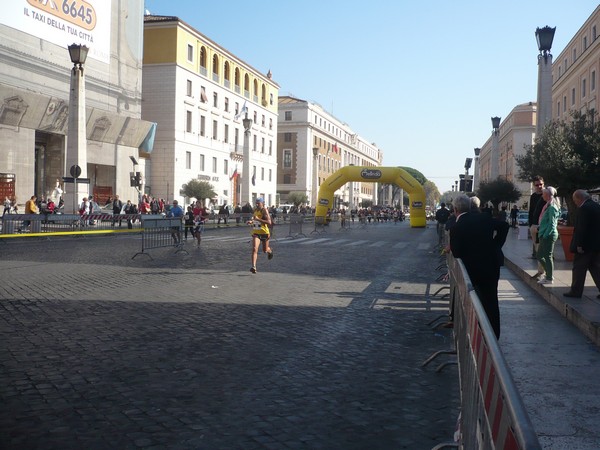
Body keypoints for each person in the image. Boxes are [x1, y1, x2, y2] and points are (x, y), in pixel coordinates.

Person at [450, 195, 509, 339]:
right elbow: (504, 226)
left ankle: (476, 335)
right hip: (490, 267)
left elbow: (457, 252)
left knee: (472, 303)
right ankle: (494, 336)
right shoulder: (484, 218)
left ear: (455, 209)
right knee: (491, 301)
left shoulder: (457, 226)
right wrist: (495, 245)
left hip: (471, 270)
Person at [563, 190, 600, 299]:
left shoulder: (584, 209)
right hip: (596, 245)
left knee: (579, 268)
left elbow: (581, 228)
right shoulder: (596, 206)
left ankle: (576, 291)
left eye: (575, 201)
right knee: (596, 268)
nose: (575, 203)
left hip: (585, 246)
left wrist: (579, 244)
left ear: (579, 198)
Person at [535, 186, 561, 284]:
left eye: (544, 194)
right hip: (544, 234)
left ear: (548, 195)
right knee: (540, 255)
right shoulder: (548, 205)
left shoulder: (552, 207)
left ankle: (549, 277)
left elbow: (552, 224)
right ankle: (549, 274)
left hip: (548, 235)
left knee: (547, 256)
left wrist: (545, 235)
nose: (542, 196)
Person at [247, 197, 273, 274]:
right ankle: (254, 267)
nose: (257, 204)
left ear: (262, 203)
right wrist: (251, 221)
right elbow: (255, 219)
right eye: (256, 203)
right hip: (256, 232)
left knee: (265, 250)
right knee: (255, 248)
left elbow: (269, 222)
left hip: (264, 233)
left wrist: (258, 219)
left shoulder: (264, 210)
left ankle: (270, 251)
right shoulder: (255, 210)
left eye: (258, 203)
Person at [528, 176, 545, 258]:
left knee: (545, 240)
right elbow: (531, 210)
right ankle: (535, 254)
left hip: (545, 222)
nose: (539, 187)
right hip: (535, 222)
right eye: (537, 185)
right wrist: (530, 223)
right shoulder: (533, 196)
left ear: (543, 184)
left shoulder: (547, 195)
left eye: (541, 184)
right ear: (534, 186)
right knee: (535, 241)